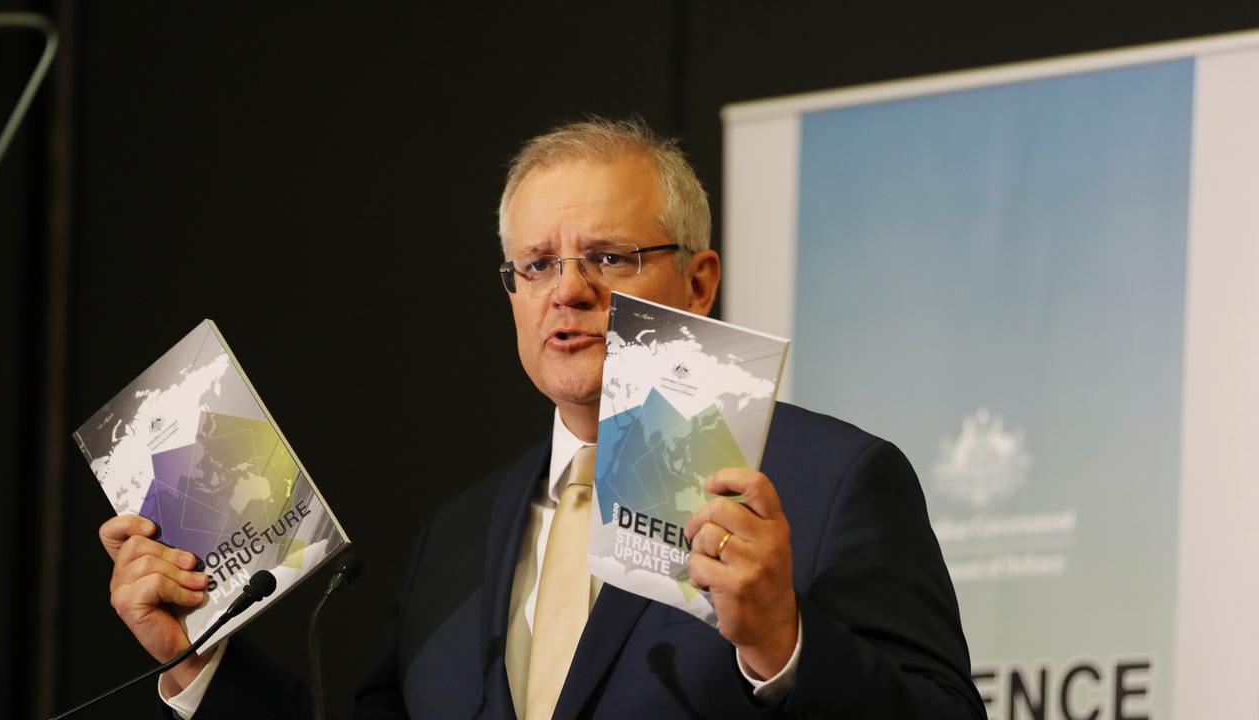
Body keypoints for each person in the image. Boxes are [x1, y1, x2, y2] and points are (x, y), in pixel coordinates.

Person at [99, 118, 984, 719]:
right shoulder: (456, 537)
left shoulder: (832, 481)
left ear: (701, 280)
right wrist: (197, 661)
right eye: (535, 264)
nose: (569, 289)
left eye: (609, 255)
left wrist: (784, 645)